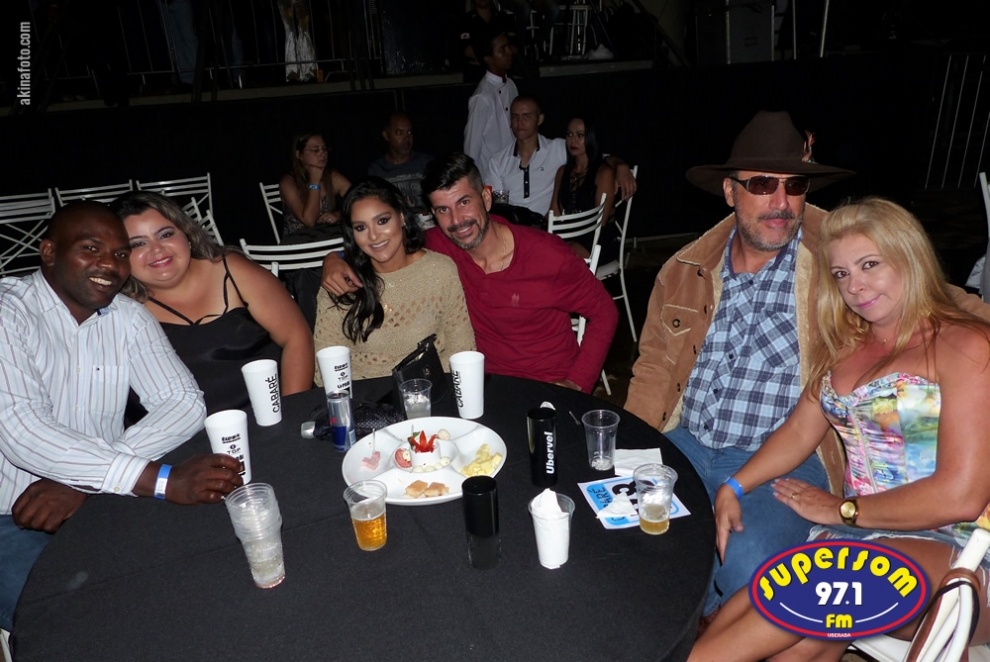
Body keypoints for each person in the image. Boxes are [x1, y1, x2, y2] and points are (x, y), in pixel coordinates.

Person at [625, 110, 990, 625]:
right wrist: (632, 448)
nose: (781, 201)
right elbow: (654, 368)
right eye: (761, 184)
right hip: (686, 439)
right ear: (730, 192)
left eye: (793, 185)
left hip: (783, 454)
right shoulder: (685, 268)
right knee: (626, 540)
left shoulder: (835, 250)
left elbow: (935, 294)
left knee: (754, 566)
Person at [690, 197, 990, 661]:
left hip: (959, 549)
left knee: (791, 608)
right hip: (858, 543)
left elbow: (961, 497)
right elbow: (798, 431)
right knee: (757, 617)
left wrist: (842, 509)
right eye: (841, 273)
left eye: (870, 265)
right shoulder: (848, 345)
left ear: (909, 256)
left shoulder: (965, 345)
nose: (855, 286)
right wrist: (735, 485)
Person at [0, 202, 243, 632]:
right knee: (82, 627)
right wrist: (159, 479)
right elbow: (22, 429)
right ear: (49, 252)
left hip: (99, 498)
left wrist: (83, 482)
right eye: (91, 248)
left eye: (119, 254)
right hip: (11, 516)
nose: (110, 265)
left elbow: (184, 402)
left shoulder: (127, 317)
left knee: (203, 576)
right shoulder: (8, 311)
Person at [322, 153, 618, 393]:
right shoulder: (439, 248)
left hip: (548, 385)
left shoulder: (548, 255)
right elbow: (383, 245)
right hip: (483, 388)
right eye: (443, 210)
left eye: (464, 202)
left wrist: (577, 382)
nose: (457, 220)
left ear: (486, 198)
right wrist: (335, 259)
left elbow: (605, 312)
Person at [112, 191, 314, 413]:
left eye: (165, 234)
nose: (157, 249)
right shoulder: (118, 310)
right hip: (185, 432)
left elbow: (297, 338)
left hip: (272, 415)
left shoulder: (231, 271)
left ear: (186, 234)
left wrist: (290, 416)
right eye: (138, 244)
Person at [313, 177, 475, 380]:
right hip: (363, 395)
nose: (374, 236)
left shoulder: (440, 271)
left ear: (401, 217)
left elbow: (461, 349)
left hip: (430, 389)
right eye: (361, 227)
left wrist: (416, 388)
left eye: (382, 221)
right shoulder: (340, 281)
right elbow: (325, 369)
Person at [487, 97, 636, 220]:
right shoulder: (498, 161)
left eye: (526, 116)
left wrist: (620, 166)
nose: (519, 122)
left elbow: (596, 156)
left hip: (549, 226)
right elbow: (501, 207)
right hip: (517, 228)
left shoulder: (558, 148)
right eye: (514, 116)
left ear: (539, 119)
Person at [549, 112, 617, 261]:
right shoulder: (563, 171)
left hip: (596, 238)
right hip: (569, 235)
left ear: (591, 138)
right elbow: (554, 212)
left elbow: (600, 221)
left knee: (556, 258)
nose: (573, 140)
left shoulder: (603, 172)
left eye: (580, 135)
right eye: (569, 134)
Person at [463, 29, 517, 184]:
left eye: (508, 47)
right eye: (502, 50)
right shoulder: (482, 97)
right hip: (492, 182)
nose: (509, 52)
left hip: (513, 175)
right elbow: (471, 149)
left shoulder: (511, 85)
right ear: (488, 59)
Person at [279, 132, 352, 243]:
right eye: (315, 150)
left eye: (324, 149)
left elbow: (358, 200)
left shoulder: (332, 177)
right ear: (299, 155)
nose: (322, 154)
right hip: (298, 242)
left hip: (327, 237)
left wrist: (339, 215)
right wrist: (315, 182)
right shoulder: (288, 182)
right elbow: (309, 221)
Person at [367, 111, 433, 215]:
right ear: (386, 135)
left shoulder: (426, 163)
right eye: (399, 133)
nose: (406, 138)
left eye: (409, 132)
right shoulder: (376, 170)